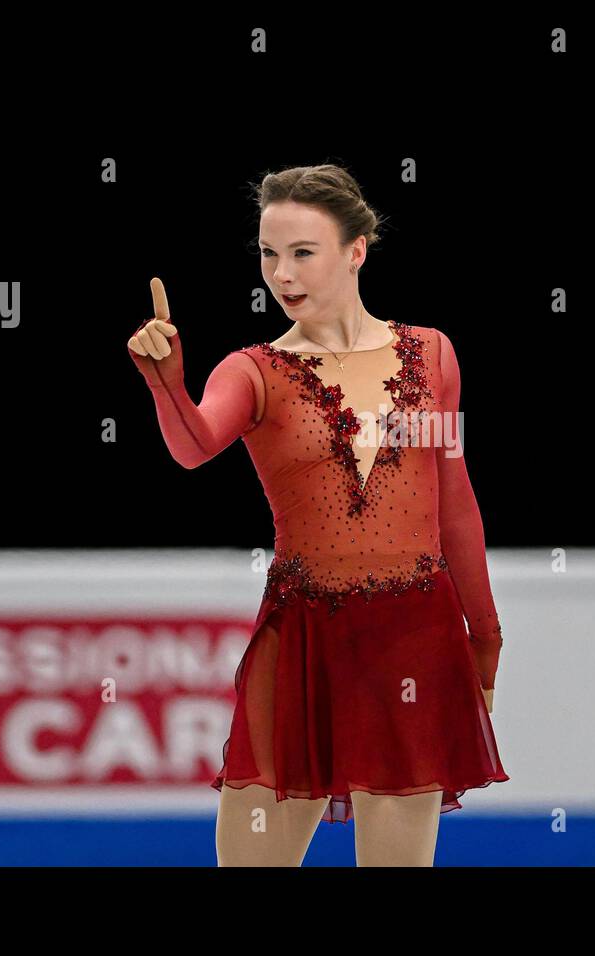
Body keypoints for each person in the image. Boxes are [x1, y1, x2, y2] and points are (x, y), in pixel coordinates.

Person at [127, 164, 508, 866]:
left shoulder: (432, 356)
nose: (282, 273)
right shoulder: (253, 371)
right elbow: (193, 444)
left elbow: (454, 501)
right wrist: (166, 381)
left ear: (357, 249)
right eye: (269, 253)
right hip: (301, 639)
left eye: (303, 252)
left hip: (414, 639)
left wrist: (484, 635)